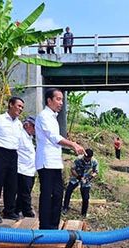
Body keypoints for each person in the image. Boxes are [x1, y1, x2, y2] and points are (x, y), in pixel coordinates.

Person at [35, 88, 85, 229]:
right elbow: (54, 137)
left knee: (58, 194)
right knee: (47, 194)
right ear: (49, 100)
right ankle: (45, 226)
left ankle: (53, 225)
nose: (61, 102)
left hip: (55, 163)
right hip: (46, 162)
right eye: (58, 99)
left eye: (62, 99)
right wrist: (73, 144)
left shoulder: (53, 117)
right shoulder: (44, 116)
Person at [0, 97, 25, 224]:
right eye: (19, 106)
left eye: (22, 107)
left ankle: (9, 210)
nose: (20, 109)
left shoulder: (19, 124)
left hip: (13, 154)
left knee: (12, 184)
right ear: (11, 105)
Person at [62, 149, 99, 217]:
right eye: (85, 158)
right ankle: (65, 208)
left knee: (85, 197)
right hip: (76, 177)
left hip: (86, 179)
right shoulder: (78, 159)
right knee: (68, 191)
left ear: (91, 157)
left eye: (88, 159)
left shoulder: (94, 161)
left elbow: (96, 171)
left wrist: (90, 178)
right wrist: (78, 177)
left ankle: (83, 213)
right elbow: (72, 169)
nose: (86, 160)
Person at [15, 116, 37, 218]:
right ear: (27, 125)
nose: (35, 130)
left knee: (23, 192)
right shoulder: (20, 135)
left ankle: (16, 209)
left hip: (30, 170)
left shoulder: (30, 138)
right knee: (25, 193)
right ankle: (27, 211)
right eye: (34, 127)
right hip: (22, 169)